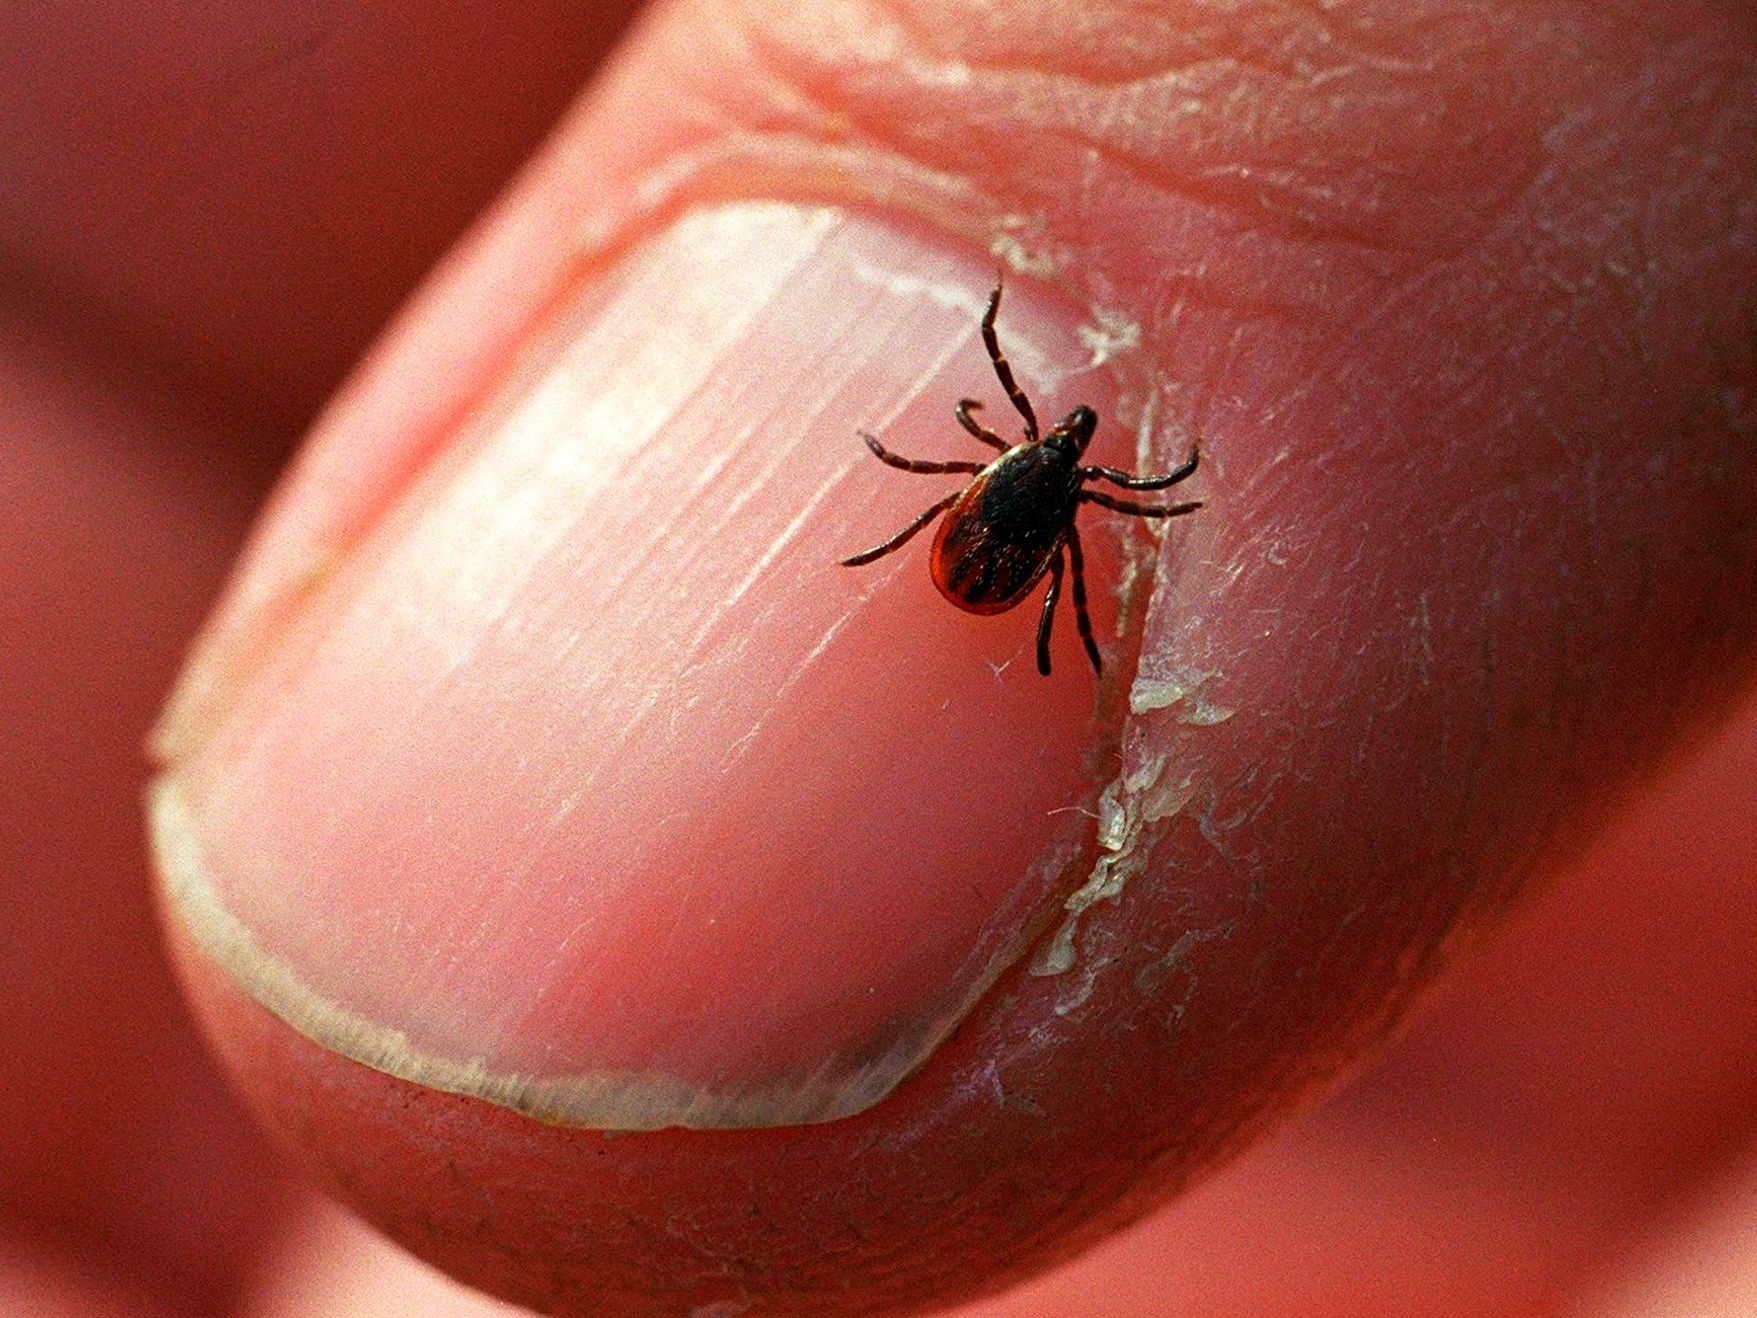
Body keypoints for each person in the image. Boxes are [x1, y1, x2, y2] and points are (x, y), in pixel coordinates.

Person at [4, 1, 1755, 1314]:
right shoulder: (1061, 493)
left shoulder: (1033, 473)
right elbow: (1057, 498)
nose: (1052, 451)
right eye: (1050, 450)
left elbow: (1006, 476)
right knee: (1028, 588)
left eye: (1057, 452)